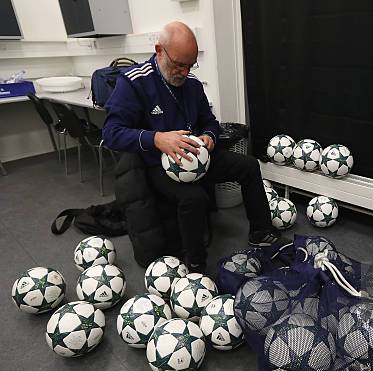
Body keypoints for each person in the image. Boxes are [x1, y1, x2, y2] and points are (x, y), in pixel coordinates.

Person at [103, 21, 282, 273]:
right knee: (194, 198)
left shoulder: (193, 84)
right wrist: (157, 138)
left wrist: (210, 136)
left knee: (249, 166)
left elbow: (209, 121)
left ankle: (261, 232)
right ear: (159, 50)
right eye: (178, 64)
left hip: (198, 156)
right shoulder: (134, 82)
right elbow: (111, 133)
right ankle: (195, 265)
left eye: (190, 65)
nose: (184, 72)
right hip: (158, 164)